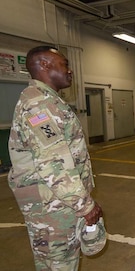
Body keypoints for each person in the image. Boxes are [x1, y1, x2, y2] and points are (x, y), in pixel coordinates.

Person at [8, 46, 103, 270]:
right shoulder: (38, 104)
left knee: (60, 263)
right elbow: (53, 163)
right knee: (58, 264)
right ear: (45, 65)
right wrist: (85, 206)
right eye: (65, 64)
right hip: (51, 207)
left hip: (59, 203)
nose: (70, 71)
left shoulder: (48, 100)